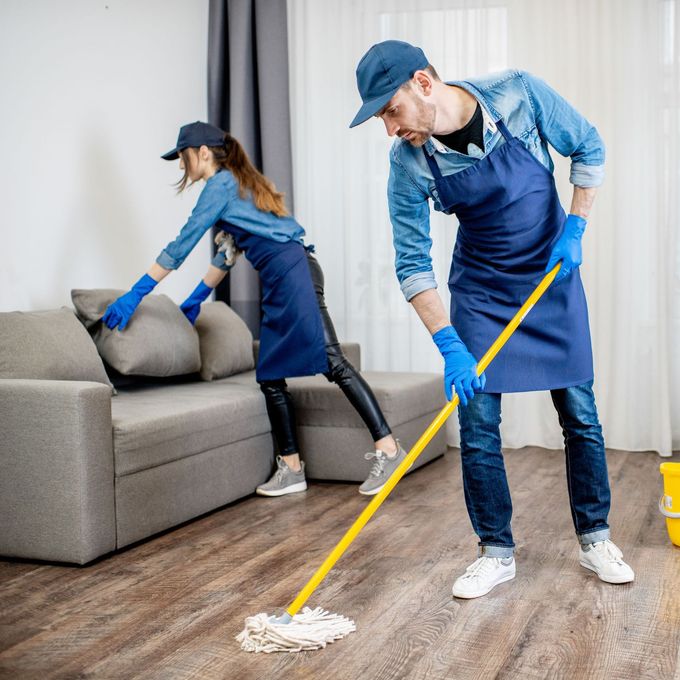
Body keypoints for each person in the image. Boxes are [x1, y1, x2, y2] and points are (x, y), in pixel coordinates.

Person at [350, 40, 634, 598]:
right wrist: (450, 343)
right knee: (478, 424)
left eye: (391, 111)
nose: (389, 128)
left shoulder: (518, 95)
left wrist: (575, 228)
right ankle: (495, 550)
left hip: (551, 277)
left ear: (423, 84)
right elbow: (412, 263)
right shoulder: (408, 163)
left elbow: (589, 145)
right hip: (481, 290)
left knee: (580, 412)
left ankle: (595, 537)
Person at [102, 121, 408, 497]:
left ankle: (389, 449)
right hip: (287, 275)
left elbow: (182, 244)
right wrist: (196, 299)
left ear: (201, 153)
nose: (182, 167)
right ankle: (292, 467)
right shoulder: (238, 186)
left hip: (291, 273)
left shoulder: (221, 184)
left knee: (332, 361)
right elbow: (227, 254)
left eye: (182, 158)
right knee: (270, 375)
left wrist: (136, 293)